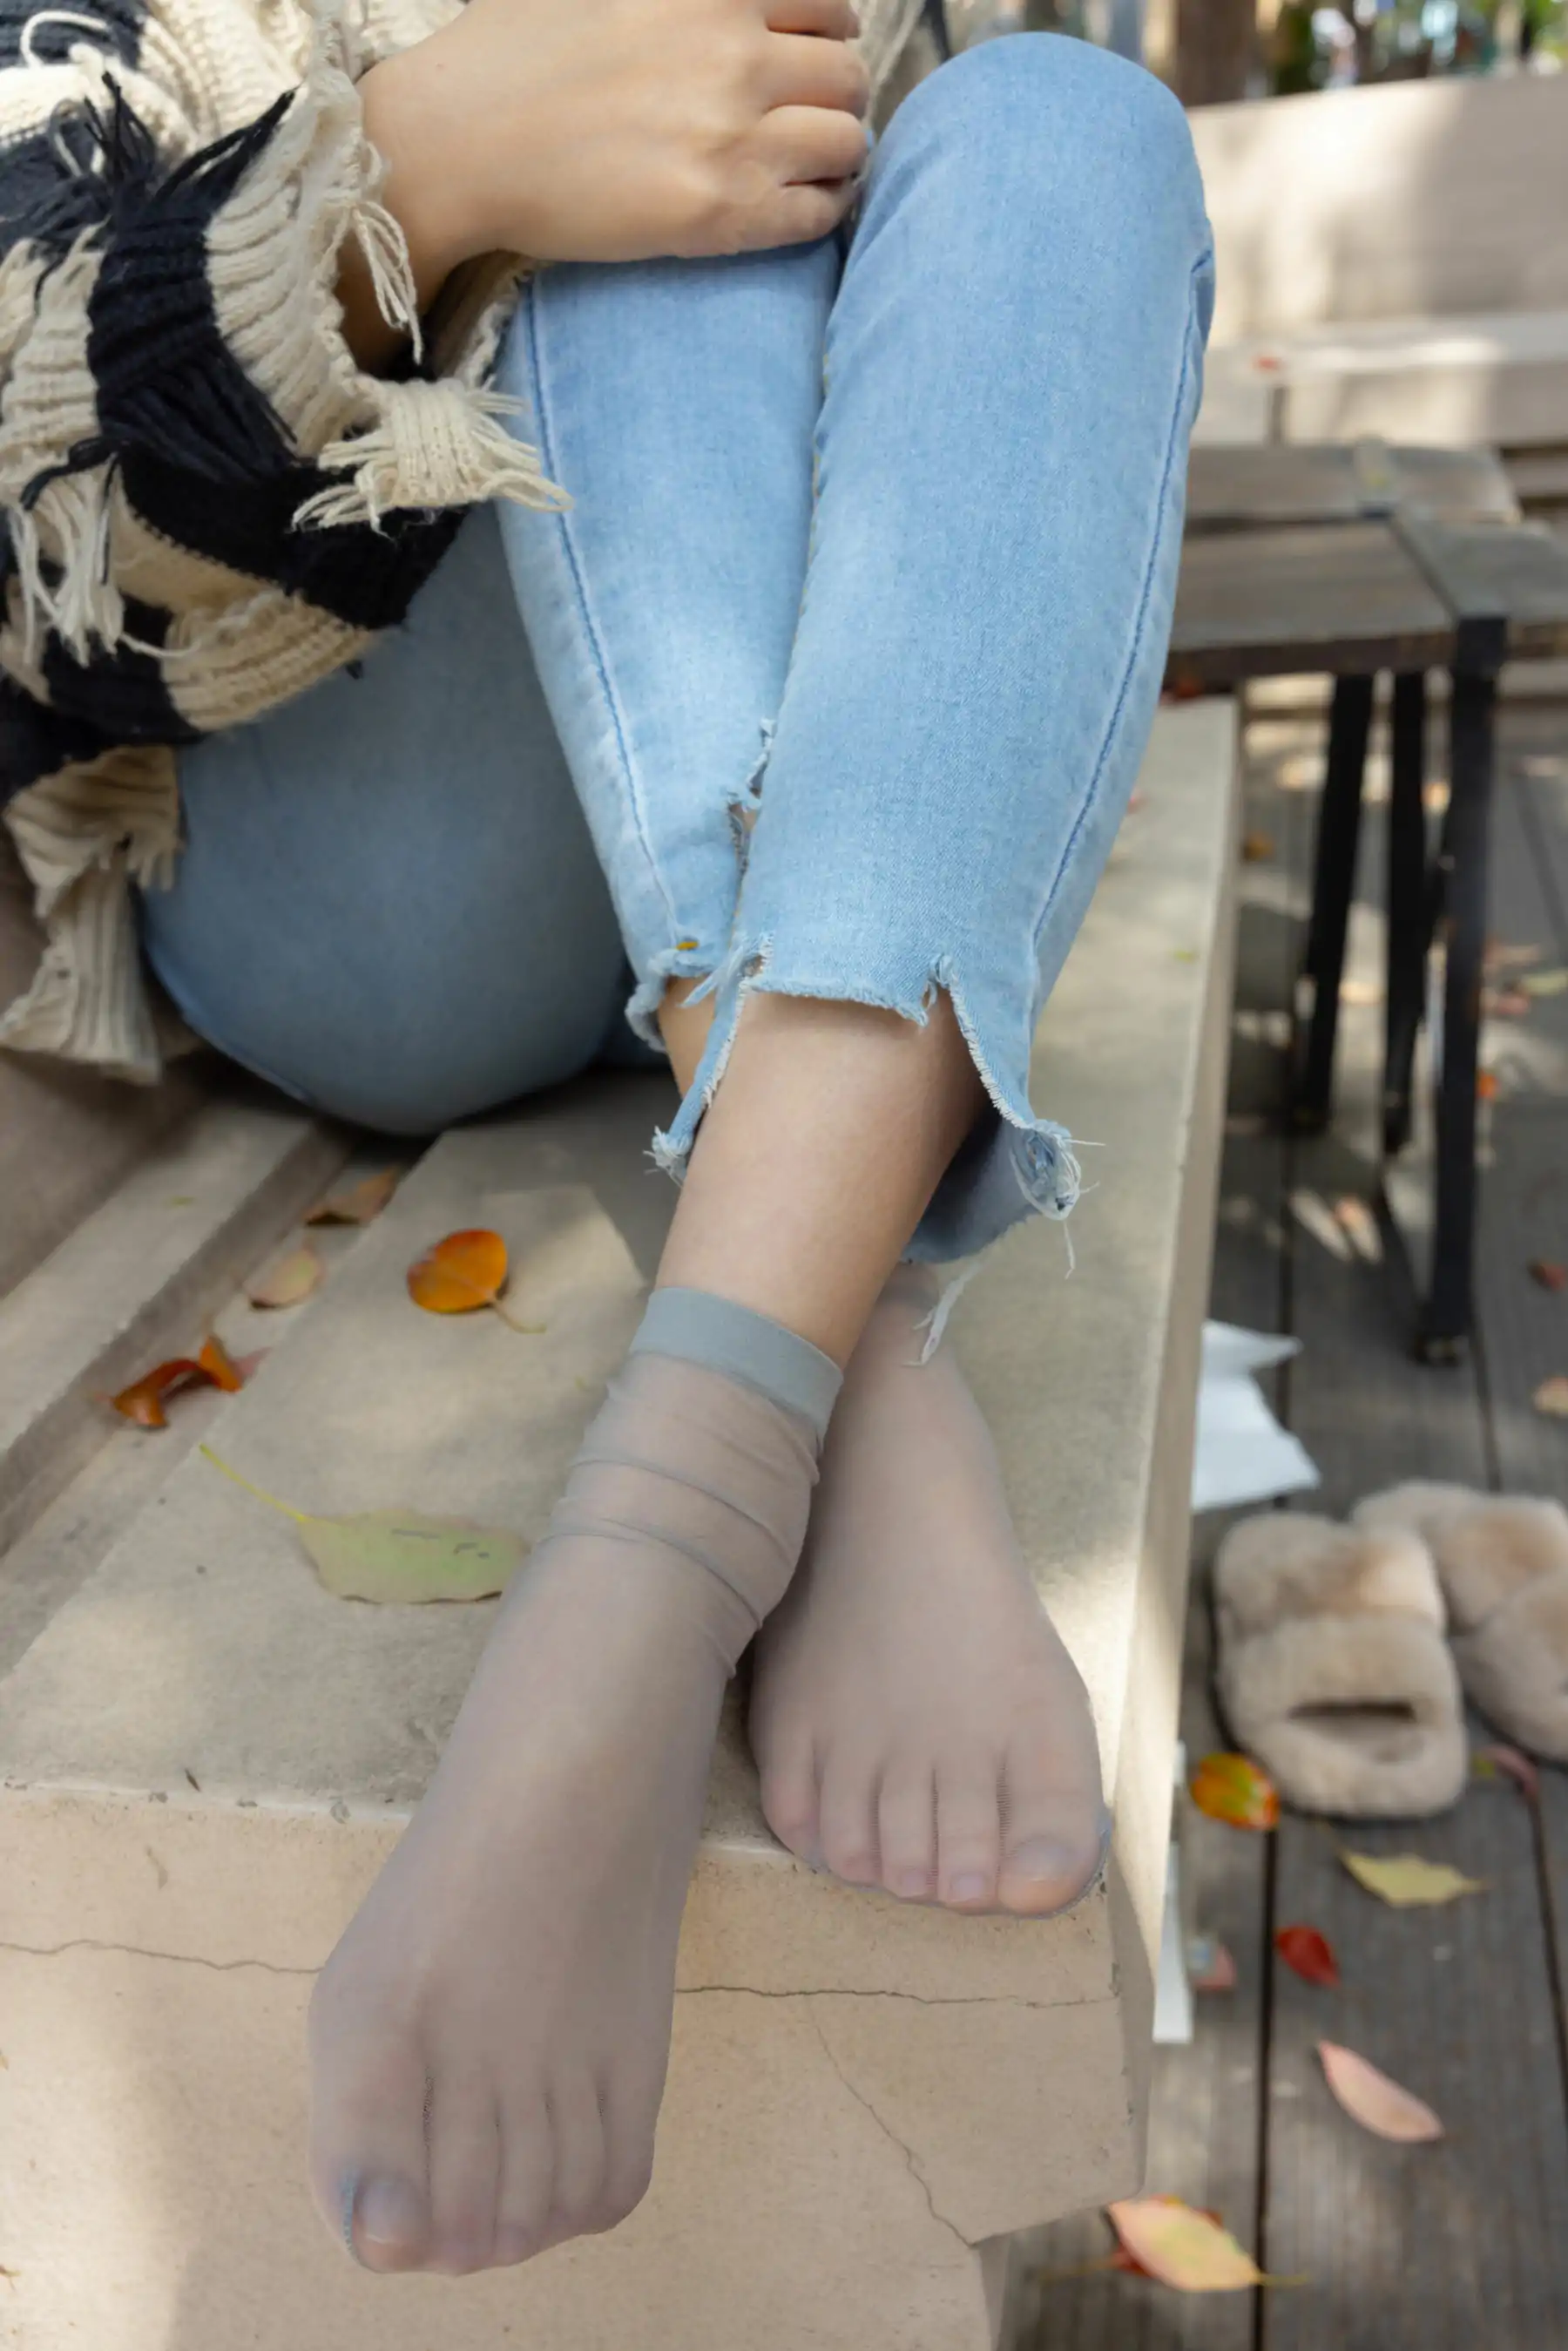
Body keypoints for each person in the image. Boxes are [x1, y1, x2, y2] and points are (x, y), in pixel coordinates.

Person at [0, 0, 1213, 2279]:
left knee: (1062, 128)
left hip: (764, 799)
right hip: (385, 877)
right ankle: (800, 1375)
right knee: (665, 196)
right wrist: (420, 171)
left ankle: (684, 1508)